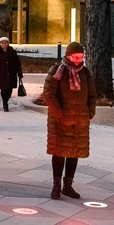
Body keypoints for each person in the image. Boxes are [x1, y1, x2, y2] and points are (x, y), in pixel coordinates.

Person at [42, 41, 97, 200]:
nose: (78, 60)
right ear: (67, 55)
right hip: (60, 120)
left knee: (74, 152)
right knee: (59, 152)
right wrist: (59, 113)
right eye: (75, 57)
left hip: (79, 121)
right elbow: (48, 93)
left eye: (81, 57)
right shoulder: (58, 70)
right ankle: (56, 185)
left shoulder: (85, 72)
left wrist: (90, 112)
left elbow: (92, 94)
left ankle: (68, 185)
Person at [0, 36, 23, 112]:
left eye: (5, 43)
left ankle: (7, 99)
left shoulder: (12, 52)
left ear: (8, 43)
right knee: (3, 89)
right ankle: (5, 103)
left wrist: (20, 73)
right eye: (2, 43)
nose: (4, 44)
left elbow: (17, 63)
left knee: (10, 89)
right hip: (1, 74)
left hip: (11, 73)